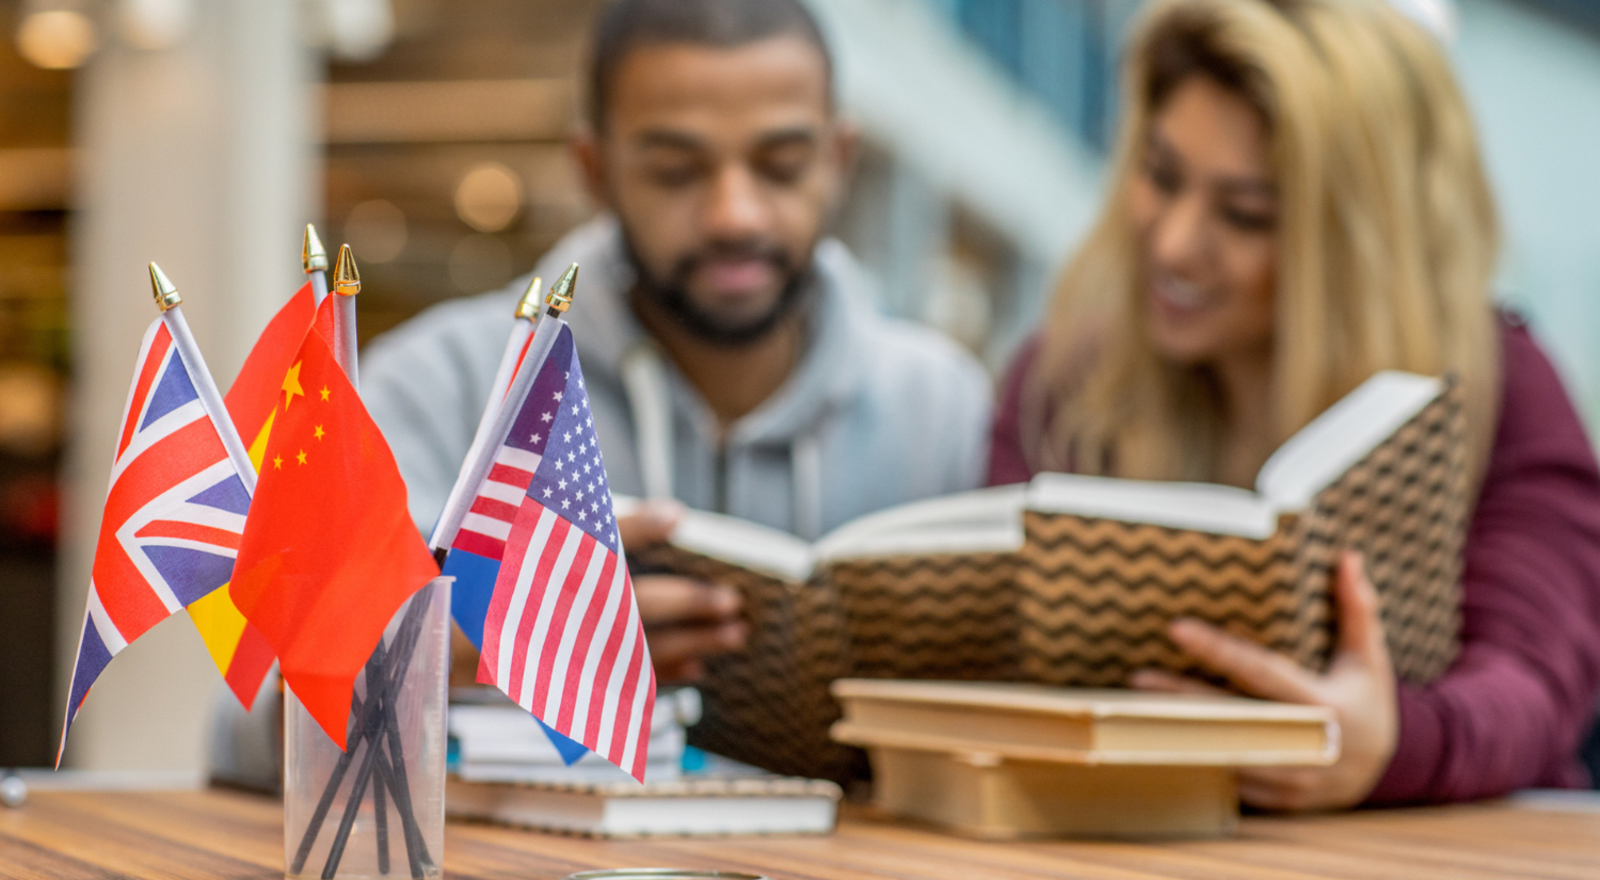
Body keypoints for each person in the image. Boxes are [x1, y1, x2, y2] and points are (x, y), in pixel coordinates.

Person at [989, 0, 1600, 810]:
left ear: (1360, 238)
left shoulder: (1501, 386)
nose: (1173, 242)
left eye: (1246, 216)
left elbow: (1533, 683)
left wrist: (1392, 745)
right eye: (1159, 174)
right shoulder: (1064, 382)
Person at [361, 0, 992, 683]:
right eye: (675, 171)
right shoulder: (438, 386)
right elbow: (269, 711)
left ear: (839, 159)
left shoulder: (944, 410)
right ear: (594, 170)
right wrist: (478, 641)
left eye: (780, 165)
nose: (734, 214)